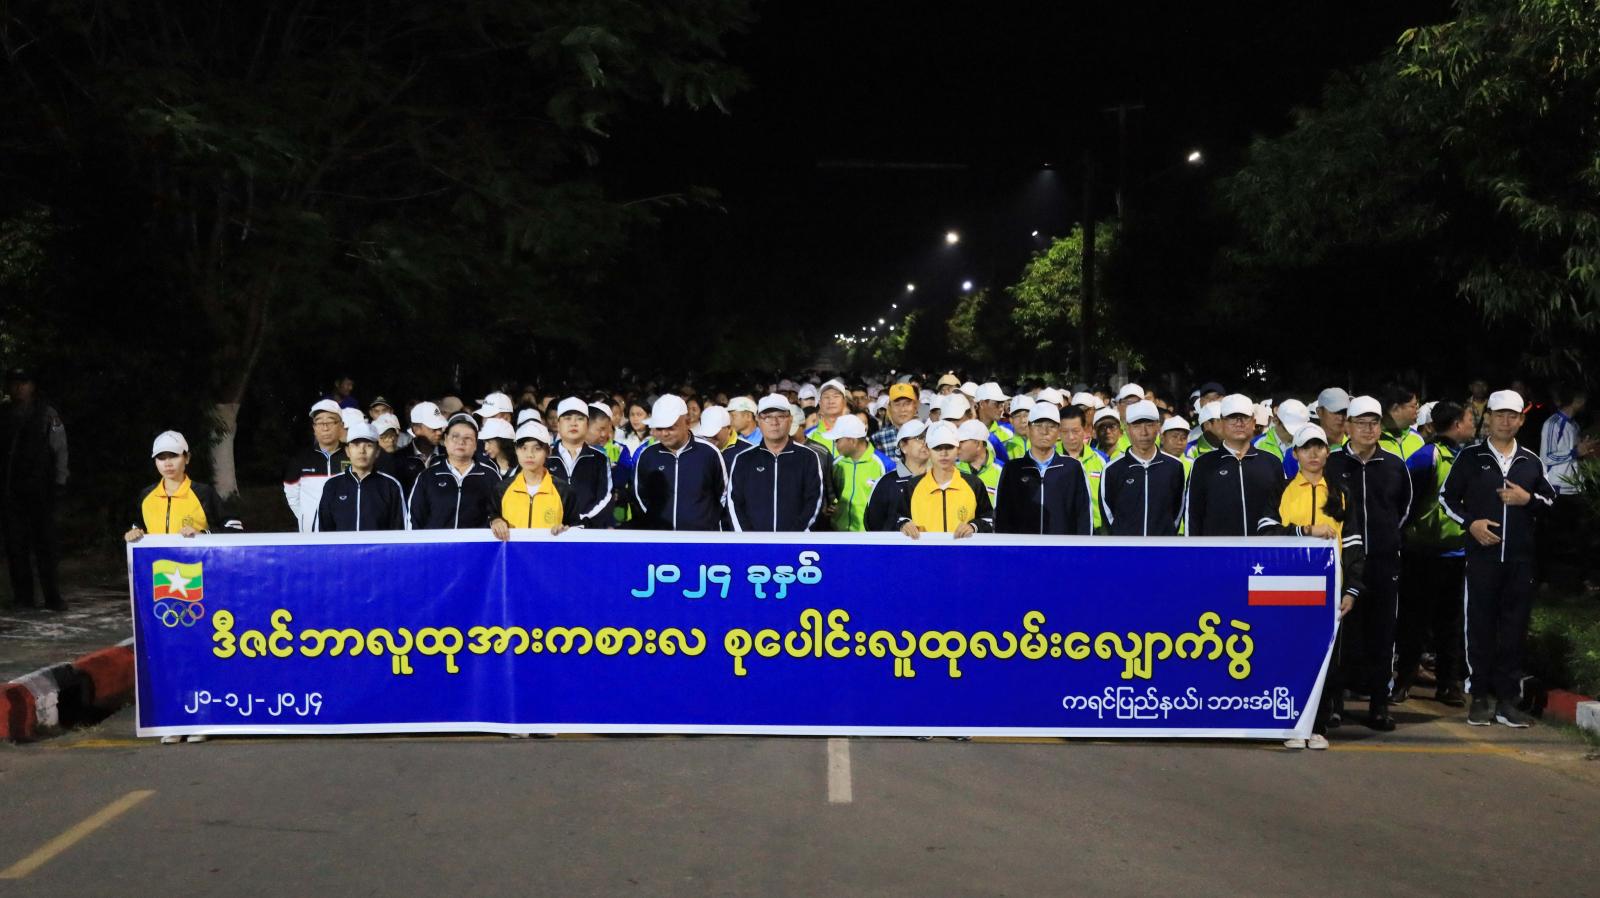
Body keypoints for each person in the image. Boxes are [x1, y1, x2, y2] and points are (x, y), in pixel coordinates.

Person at [1440, 390, 1557, 728]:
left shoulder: (1531, 461)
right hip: (1482, 560)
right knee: (1479, 627)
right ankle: (1478, 697)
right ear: (1488, 418)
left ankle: (1507, 701)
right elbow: (1446, 498)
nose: (1505, 421)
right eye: (1499, 415)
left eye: (1512, 416)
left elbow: (1550, 501)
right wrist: (1471, 524)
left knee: (1514, 630)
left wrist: (1527, 499)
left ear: (1521, 420)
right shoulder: (1470, 457)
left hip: (1520, 562)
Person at [1259, 425, 1366, 751]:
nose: (1314, 453)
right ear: (1295, 454)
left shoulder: (1341, 492)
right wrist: (1304, 530)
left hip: (1328, 590)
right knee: (1289, 654)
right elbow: (1265, 533)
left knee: (1325, 659)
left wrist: (1352, 589)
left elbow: (1354, 543)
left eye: (1319, 447)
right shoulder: (1281, 489)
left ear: (1328, 452)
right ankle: (1292, 723)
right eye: (1307, 448)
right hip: (1286, 588)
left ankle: (1317, 725)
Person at [1326, 395, 1413, 732]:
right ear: (1347, 426)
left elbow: (1403, 509)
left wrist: (1385, 539)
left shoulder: (1394, 465)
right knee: (1341, 635)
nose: (1367, 429)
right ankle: (1334, 703)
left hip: (1382, 563)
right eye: (1360, 423)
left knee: (1382, 633)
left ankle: (1379, 705)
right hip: (1343, 564)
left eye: (1373, 423)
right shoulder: (1332, 464)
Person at [1396, 400, 1474, 706]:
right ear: (1456, 424)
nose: (1472, 424)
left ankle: (1448, 684)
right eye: (1469, 419)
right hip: (1421, 553)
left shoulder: (1468, 457)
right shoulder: (1426, 456)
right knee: (1414, 620)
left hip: (1455, 553)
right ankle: (1403, 680)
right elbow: (1406, 502)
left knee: (1450, 623)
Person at [0, 368, 68, 610]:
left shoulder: (47, 414)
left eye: (24, 382)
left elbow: (60, 448)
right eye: (14, 383)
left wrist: (60, 480)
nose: (19, 387)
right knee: (16, 546)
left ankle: (52, 596)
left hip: (42, 490)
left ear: (32, 386)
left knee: (46, 545)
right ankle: (23, 596)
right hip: (11, 491)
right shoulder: (5, 415)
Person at [1184, 394, 1286, 537]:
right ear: (1222, 422)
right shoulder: (1202, 464)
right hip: (1219, 549)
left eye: (1244, 417)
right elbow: (1193, 516)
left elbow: (1283, 510)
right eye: (1232, 417)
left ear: (1253, 422)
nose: (1239, 423)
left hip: (1263, 549)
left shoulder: (1272, 463)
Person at [724, 395, 826, 531]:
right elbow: (734, 502)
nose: (774, 422)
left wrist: (796, 538)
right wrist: (748, 539)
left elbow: (814, 501)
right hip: (753, 542)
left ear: (790, 419)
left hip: (796, 542)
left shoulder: (808, 457)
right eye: (767, 417)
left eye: (781, 416)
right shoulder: (743, 459)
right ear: (758, 420)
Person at [993, 402, 1092, 535]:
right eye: (1038, 425)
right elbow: (1002, 516)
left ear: (1058, 432)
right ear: (1028, 429)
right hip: (1023, 547)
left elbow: (1083, 515)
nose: (1045, 431)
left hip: (1062, 547)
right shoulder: (1013, 469)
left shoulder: (1073, 468)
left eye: (1051, 426)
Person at [632, 395, 727, 531]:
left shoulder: (709, 453)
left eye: (670, 427)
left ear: (687, 422)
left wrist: (707, 523)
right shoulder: (648, 455)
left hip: (702, 537)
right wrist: (656, 520)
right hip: (661, 536)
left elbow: (723, 494)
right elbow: (640, 494)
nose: (664, 433)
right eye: (659, 428)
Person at [126, 431, 243, 541]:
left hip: (195, 557)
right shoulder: (146, 495)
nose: (167, 463)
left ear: (187, 458)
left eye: (174, 456)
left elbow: (234, 528)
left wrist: (203, 535)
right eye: (161, 457)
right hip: (156, 557)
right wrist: (134, 532)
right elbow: (138, 525)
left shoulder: (204, 493)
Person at [1100, 400, 1185, 537]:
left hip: (1162, 546)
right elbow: (1109, 514)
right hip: (1126, 547)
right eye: (1137, 426)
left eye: (1149, 425)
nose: (1144, 432)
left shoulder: (1174, 467)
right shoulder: (1112, 469)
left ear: (1158, 427)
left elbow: (1177, 511)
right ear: (1127, 429)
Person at [895, 422, 994, 539]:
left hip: (963, 550)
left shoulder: (974, 484)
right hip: (925, 550)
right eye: (937, 448)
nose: (944, 453)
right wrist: (904, 525)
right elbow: (898, 518)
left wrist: (974, 526)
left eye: (949, 447)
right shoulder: (912, 486)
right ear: (928, 449)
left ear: (957, 449)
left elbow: (989, 519)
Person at [408, 414, 503, 530]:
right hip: (436, 542)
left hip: (476, 542)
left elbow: (499, 513)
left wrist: (495, 519)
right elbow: (415, 519)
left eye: (468, 438)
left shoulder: (490, 476)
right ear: (445, 440)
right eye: (455, 436)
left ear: (476, 444)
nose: (461, 442)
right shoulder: (427, 476)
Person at [315, 421, 408, 531]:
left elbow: (400, 530)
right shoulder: (332, 485)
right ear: (347, 451)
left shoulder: (391, 486)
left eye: (368, 445)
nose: (362, 451)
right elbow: (322, 530)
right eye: (356, 445)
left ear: (377, 451)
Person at [490, 420, 578, 537]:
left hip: (549, 549)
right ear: (516, 450)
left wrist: (565, 530)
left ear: (548, 452)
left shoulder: (564, 491)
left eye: (537, 448)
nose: (529, 454)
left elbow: (576, 527)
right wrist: (495, 520)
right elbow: (492, 516)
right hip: (513, 549)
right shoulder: (502, 489)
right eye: (523, 448)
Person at [283, 399, 349, 533]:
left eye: (330, 421)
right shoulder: (300, 459)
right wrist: (306, 517)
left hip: (346, 530)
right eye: (319, 422)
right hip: (311, 534)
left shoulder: (352, 455)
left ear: (341, 425)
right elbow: (292, 495)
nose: (325, 428)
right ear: (314, 428)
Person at [552, 397, 614, 527]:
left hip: (588, 531)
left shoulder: (600, 459)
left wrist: (580, 522)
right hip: (548, 531)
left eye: (580, 419)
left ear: (587, 425)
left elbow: (605, 497)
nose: (573, 423)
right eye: (567, 418)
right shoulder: (545, 456)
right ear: (558, 425)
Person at [825, 414, 893, 532]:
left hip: (871, 537)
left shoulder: (884, 464)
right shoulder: (836, 464)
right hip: (838, 534)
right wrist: (831, 505)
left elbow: (892, 504)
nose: (835, 445)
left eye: (837, 440)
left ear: (852, 441)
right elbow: (832, 496)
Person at [865, 419, 930, 532]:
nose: (925, 442)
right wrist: (899, 525)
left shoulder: (939, 479)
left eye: (927, 437)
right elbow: (873, 523)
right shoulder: (886, 483)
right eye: (919, 438)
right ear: (903, 446)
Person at [1059, 405, 1109, 532]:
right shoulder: (1051, 459)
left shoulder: (1101, 459)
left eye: (1075, 431)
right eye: (1065, 431)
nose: (1071, 437)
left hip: (1097, 531)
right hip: (1061, 532)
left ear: (1085, 429)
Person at [956, 419, 1003, 505]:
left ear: (978, 444)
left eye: (961, 442)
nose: (957, 446)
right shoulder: (952, 469)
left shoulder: (1002, 471)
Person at [870, 383, 920, 462]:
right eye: (897, 404)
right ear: (889, 407)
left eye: (907, 404)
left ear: (915, 406)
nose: (902, 409)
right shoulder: (878, 438)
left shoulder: (927, 434)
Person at [805, 378, 851, 456]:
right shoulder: (809, 435)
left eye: (836, 396)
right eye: (826, 397)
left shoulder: (855, 434)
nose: (831, 401)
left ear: (844, 402)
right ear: (820, 403)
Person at [1380, 384, 1425, 460]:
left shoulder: (1417, 438)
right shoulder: (1373, 440)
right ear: (1395, 409)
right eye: (1413, 406)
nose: (1417, 411)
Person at [973, 382, 1014, 462]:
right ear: (982, 404)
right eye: (996, 404)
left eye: (1002, 404)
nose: (1001, 409)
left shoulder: (1009, 431)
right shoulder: (966, 432)